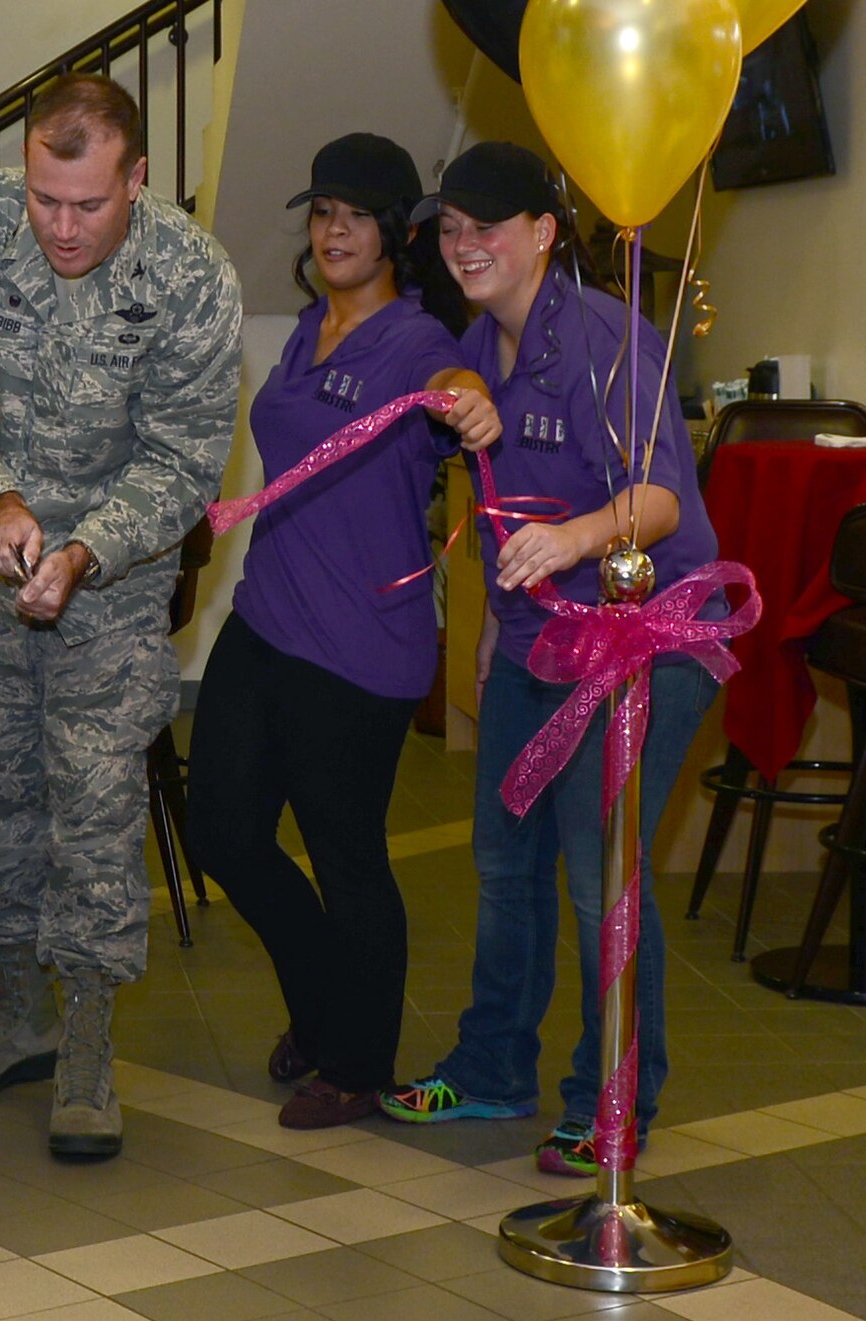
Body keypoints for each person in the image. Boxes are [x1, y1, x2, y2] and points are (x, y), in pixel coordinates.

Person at [0, 73, 242, 1158]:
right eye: (46, 198)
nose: (63, 225)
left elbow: (184, 456)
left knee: (90, 802)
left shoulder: (188, 274)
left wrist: (85, 551)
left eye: (88, 204)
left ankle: (87, 1040)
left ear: (136, 178)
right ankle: (12, 1012)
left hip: (113, 583)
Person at [379, 142, 720, 1175]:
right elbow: (493, 501)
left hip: (642, 638)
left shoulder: (609, 340)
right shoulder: (481, 344)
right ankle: (489, 1070)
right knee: (500, 865)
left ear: (540, 233)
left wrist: (572, 540)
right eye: (448, 229)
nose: (463, 244)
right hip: (535, 638)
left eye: (486, 225)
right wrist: (491, 625)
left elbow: (657, 499)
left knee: (597, 877)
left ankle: (612, 1101)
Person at [187, 134, 501, 1130]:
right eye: (321, 210)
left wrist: (473, 402)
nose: (331, 228)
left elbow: (456, 388)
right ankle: (323, 1009)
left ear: (397, 236)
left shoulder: (412, 343)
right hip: (265, 619)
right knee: (223, 832)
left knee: (344, 854)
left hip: (359, 647)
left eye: (354, 215)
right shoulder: (305, 332)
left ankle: (357, 1059)